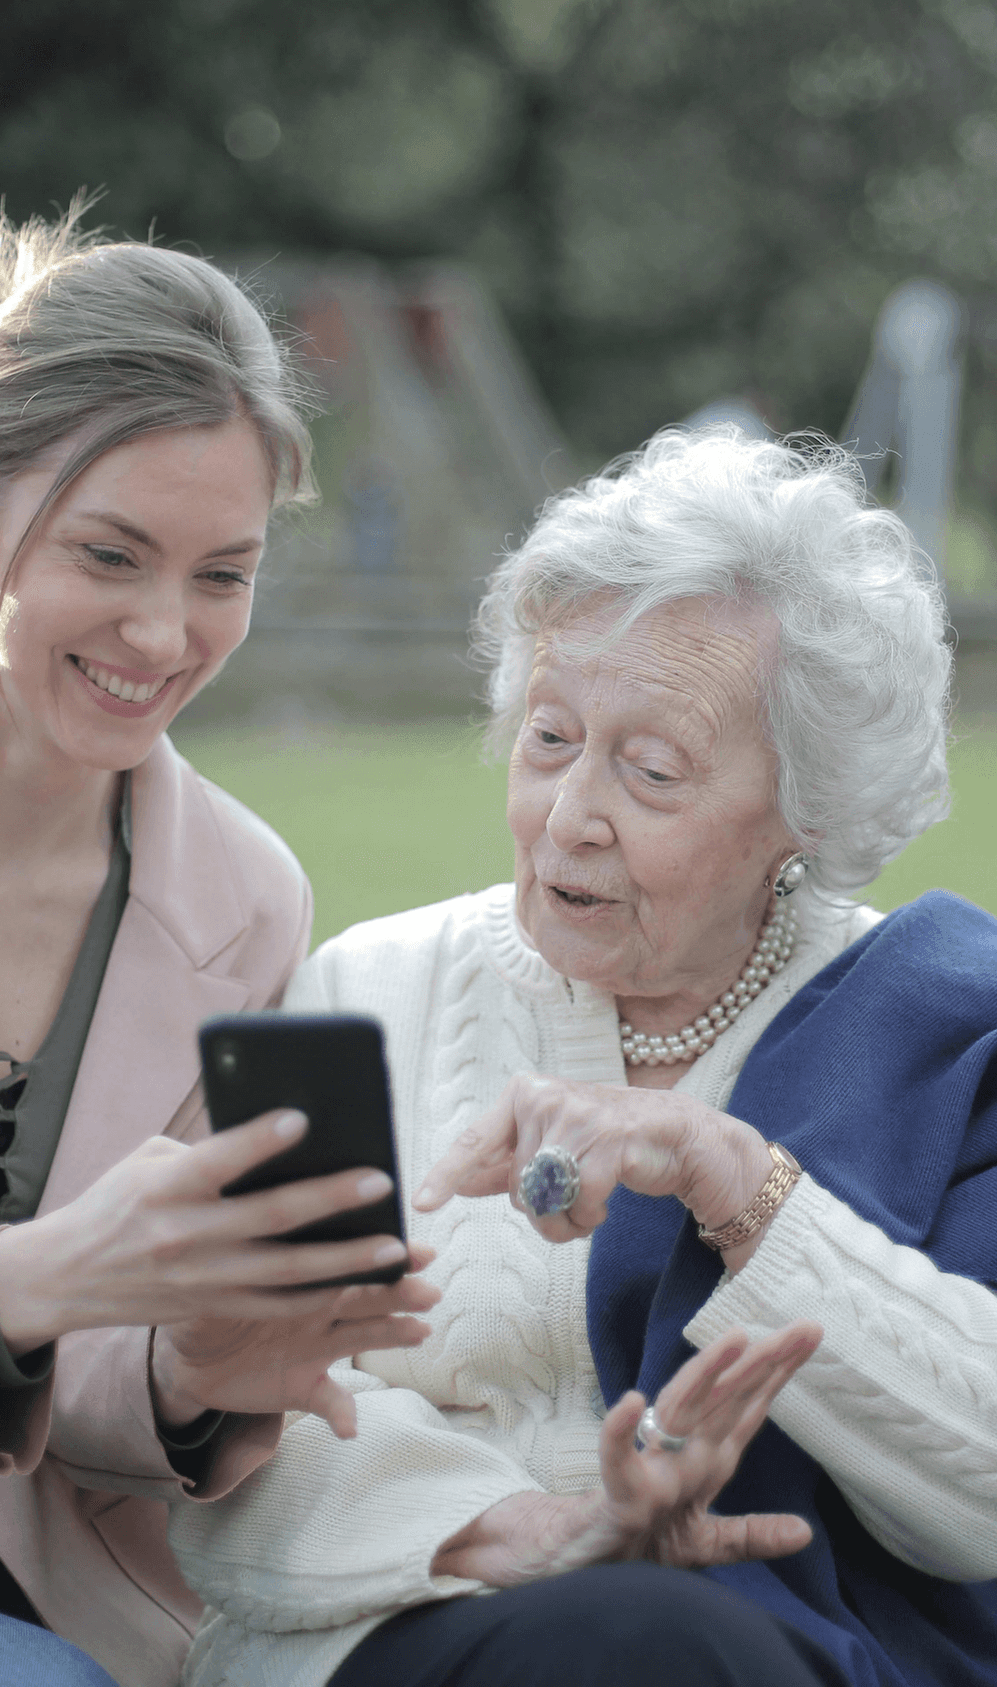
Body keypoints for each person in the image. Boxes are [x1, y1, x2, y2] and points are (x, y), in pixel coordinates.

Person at [165, 428, 997, 1687]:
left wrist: (736, 1179)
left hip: (805, 1655)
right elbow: (242, 1405)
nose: (566, 816)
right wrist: (538, 1534)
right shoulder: (368, 990)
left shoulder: (940, 1024)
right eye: (549, 737)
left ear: (809, 810)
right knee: (639, 1638)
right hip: (398, 1630)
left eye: (650, 771)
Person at [0, 200, 441, 1687]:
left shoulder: (245, 896)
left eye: (223, 571)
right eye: (112, 553)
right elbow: (47, 1284)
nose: (165, 632)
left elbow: (95, 1381)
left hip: (41, 1585)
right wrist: (34, 1273)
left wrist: (192, 1366)